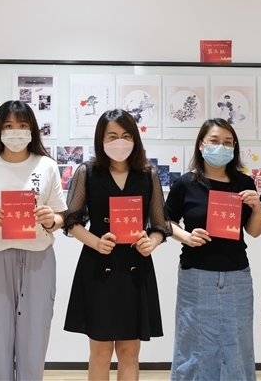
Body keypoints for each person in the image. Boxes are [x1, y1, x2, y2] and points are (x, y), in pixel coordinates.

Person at [63, 109, 172, 381]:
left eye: (126, 135)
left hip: (135, 268)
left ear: (135, 139)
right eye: (112, 136)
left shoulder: (147, 174)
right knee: (100, 352)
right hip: (98, 266)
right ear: (101, 139)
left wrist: (152, 242)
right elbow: (71, 221)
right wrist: (96, 242)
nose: (119, 142)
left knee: (129, 353)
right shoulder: (87, 172)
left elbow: (160, 225)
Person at [0, 100, 68, 381]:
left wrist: (50, 219)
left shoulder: (47, 166)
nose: (15, 132)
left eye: (22, 125)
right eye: (8, 126)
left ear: (32, 129)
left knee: (35, 335)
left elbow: (60, 215)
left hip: (38, 257)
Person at [165, 119, 261, 381]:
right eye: (215, 141)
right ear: (201, 145)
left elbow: (254, 231)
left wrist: (257, 207)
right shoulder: (185, 183)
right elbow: (165, 221)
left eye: (228, 142)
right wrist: (186, 237)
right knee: (194, 345)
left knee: (237, 344)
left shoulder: (244, 183)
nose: (222, 147)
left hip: (237, 275)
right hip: (196, 275)